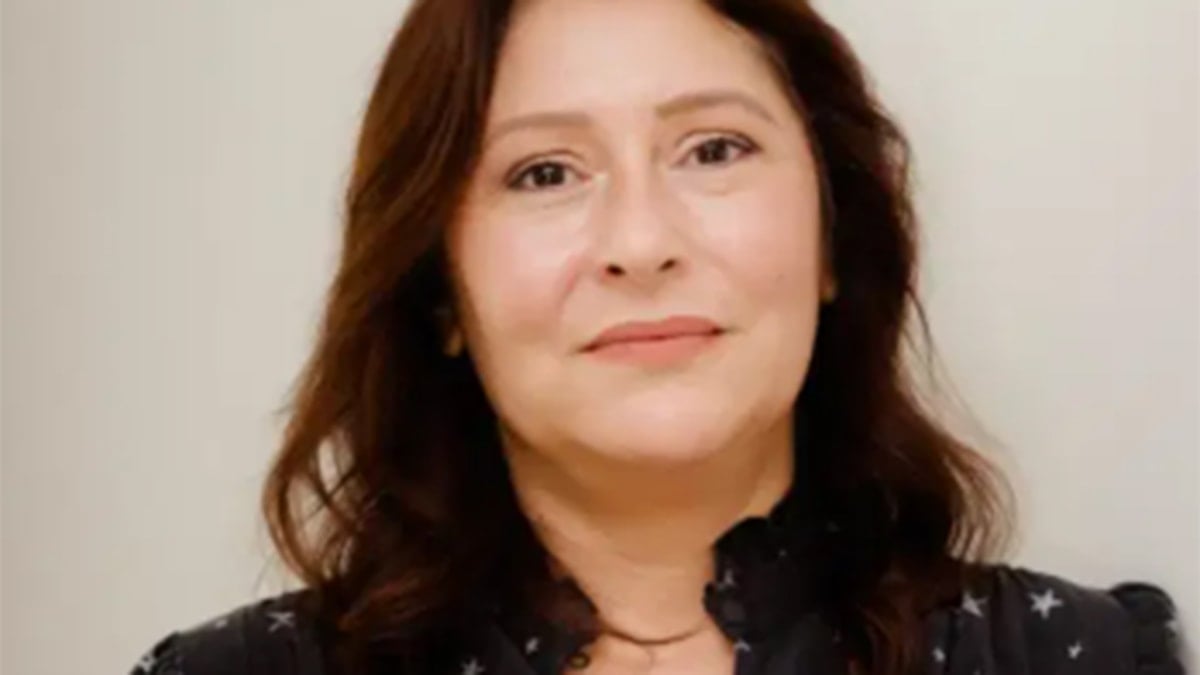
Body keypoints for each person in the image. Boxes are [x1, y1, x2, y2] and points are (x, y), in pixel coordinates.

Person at [129, 1, 1185, 673]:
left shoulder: (1070, 656)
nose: (640, 243)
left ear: (832, 239)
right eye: (545, 172)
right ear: (439, 290)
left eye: (713, 150)